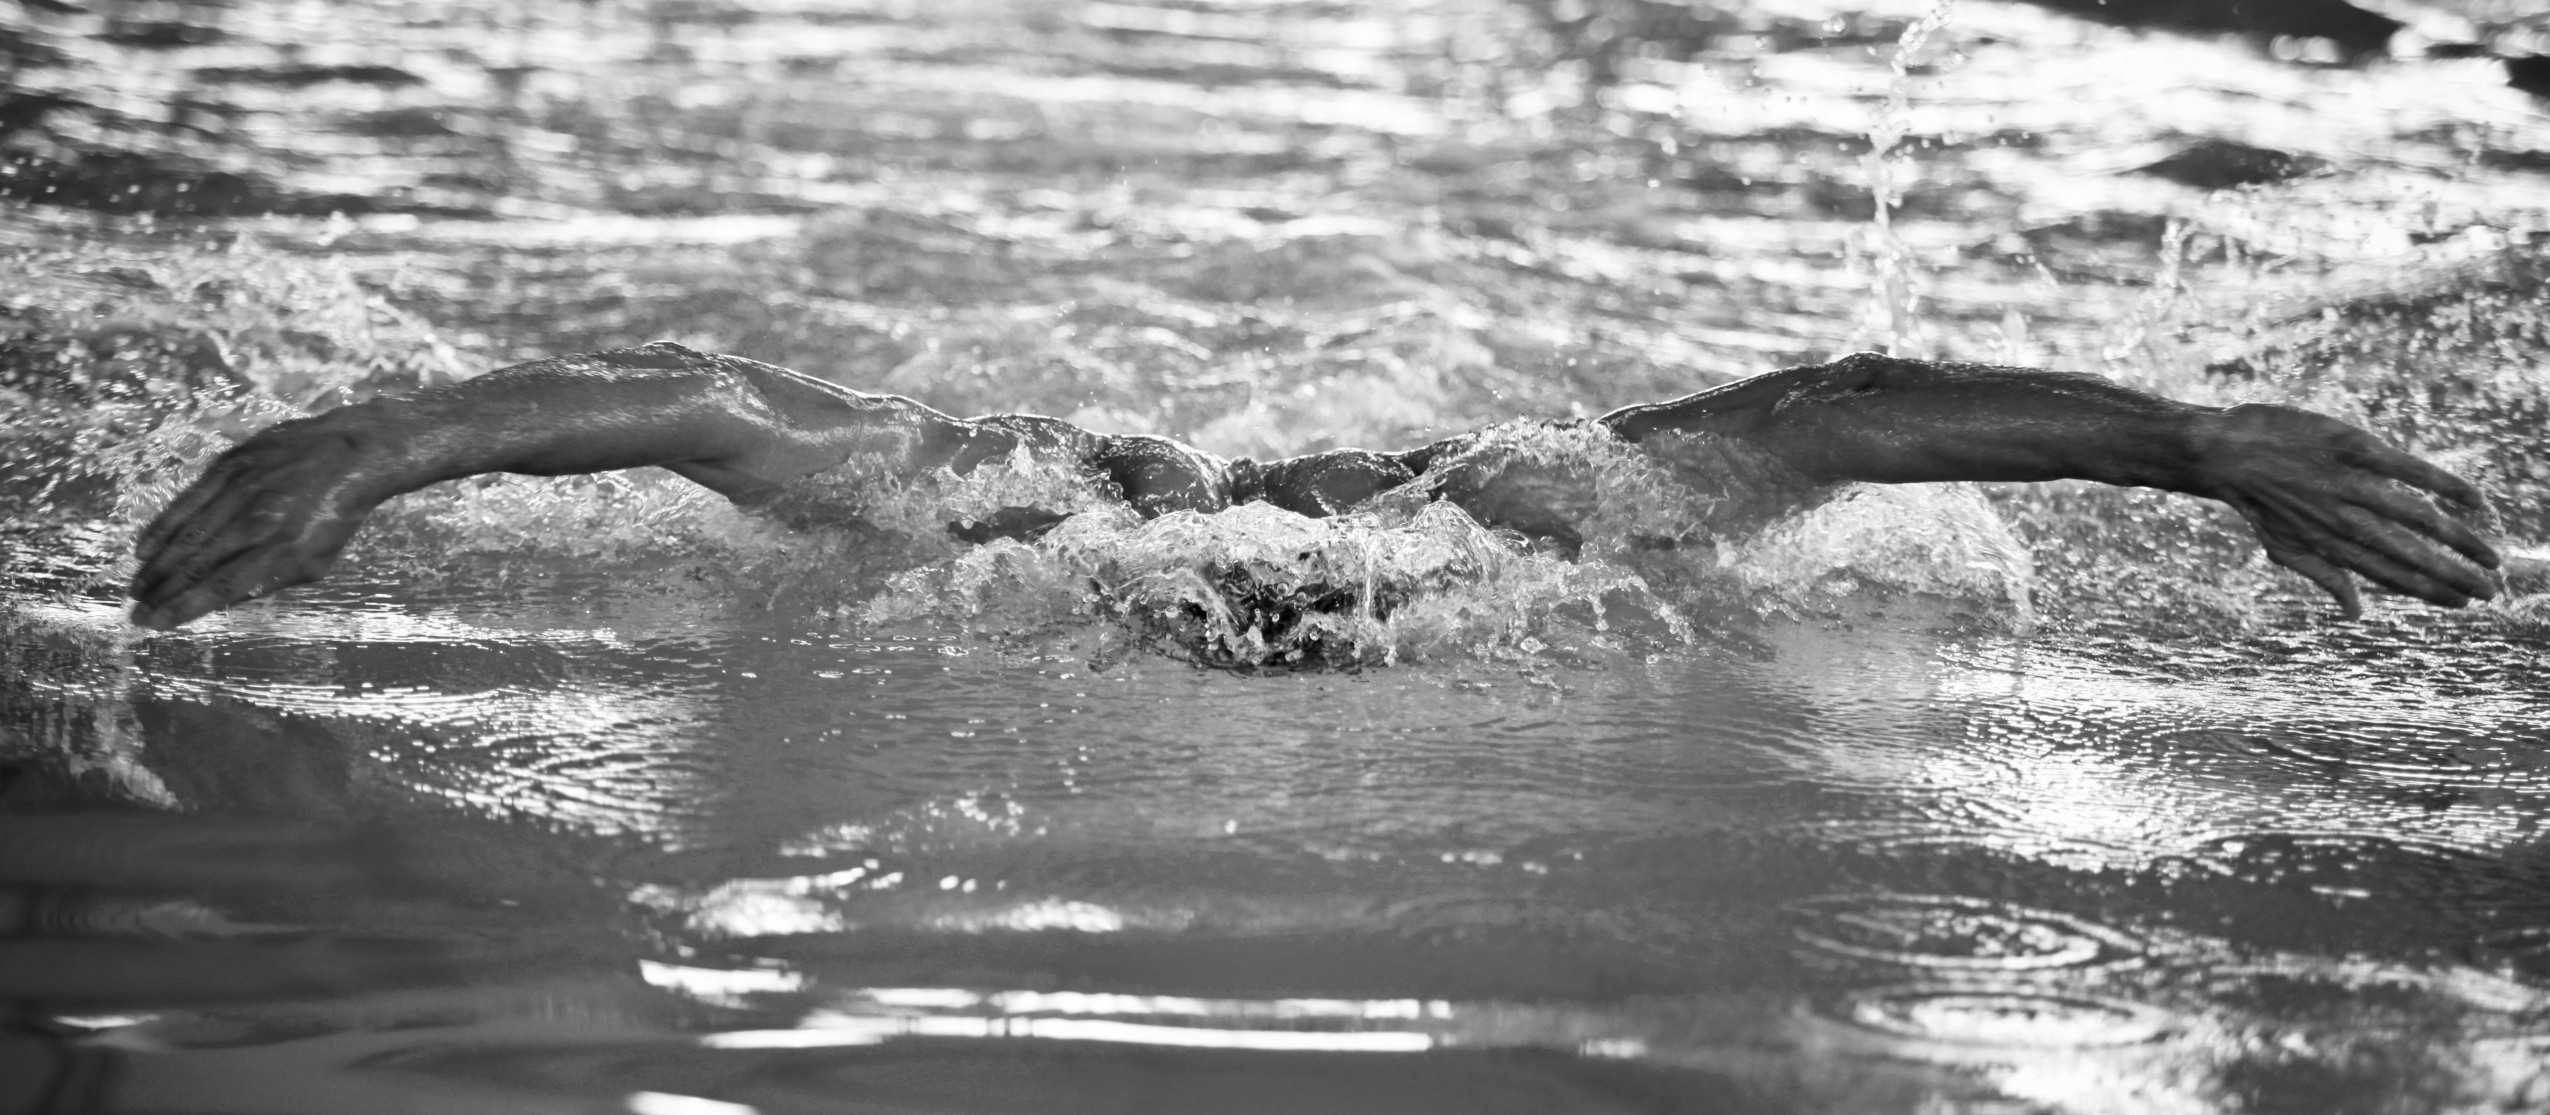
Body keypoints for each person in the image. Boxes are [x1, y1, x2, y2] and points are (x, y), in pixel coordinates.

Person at [127, 341, 2503, 632]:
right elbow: (695, 404)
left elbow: (1838, 410)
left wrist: (2199, 447)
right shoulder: (1019, 514)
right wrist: (370, 441)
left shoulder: (1533, 513)